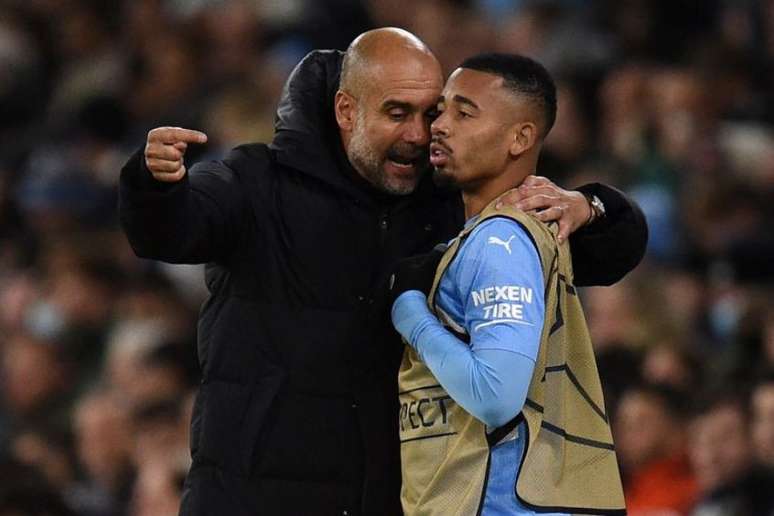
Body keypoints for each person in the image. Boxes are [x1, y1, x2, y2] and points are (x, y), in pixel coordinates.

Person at [119, 28, 647, 515]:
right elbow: (168, 231)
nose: (422, 134)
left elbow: (608, 252)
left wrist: (591, 205)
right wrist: (154, 184)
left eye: (431, 113)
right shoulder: (259, 184)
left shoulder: (449, 201)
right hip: (253, 496)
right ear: (347, 110)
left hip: (389, 499)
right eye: (398, 113)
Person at [391, 53, 626, 514]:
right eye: (441, 109)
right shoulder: (505, 234)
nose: (439, 124)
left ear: (520, 137)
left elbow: (496, 395)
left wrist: (410, 313)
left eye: (464, 112)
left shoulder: (500, 241)